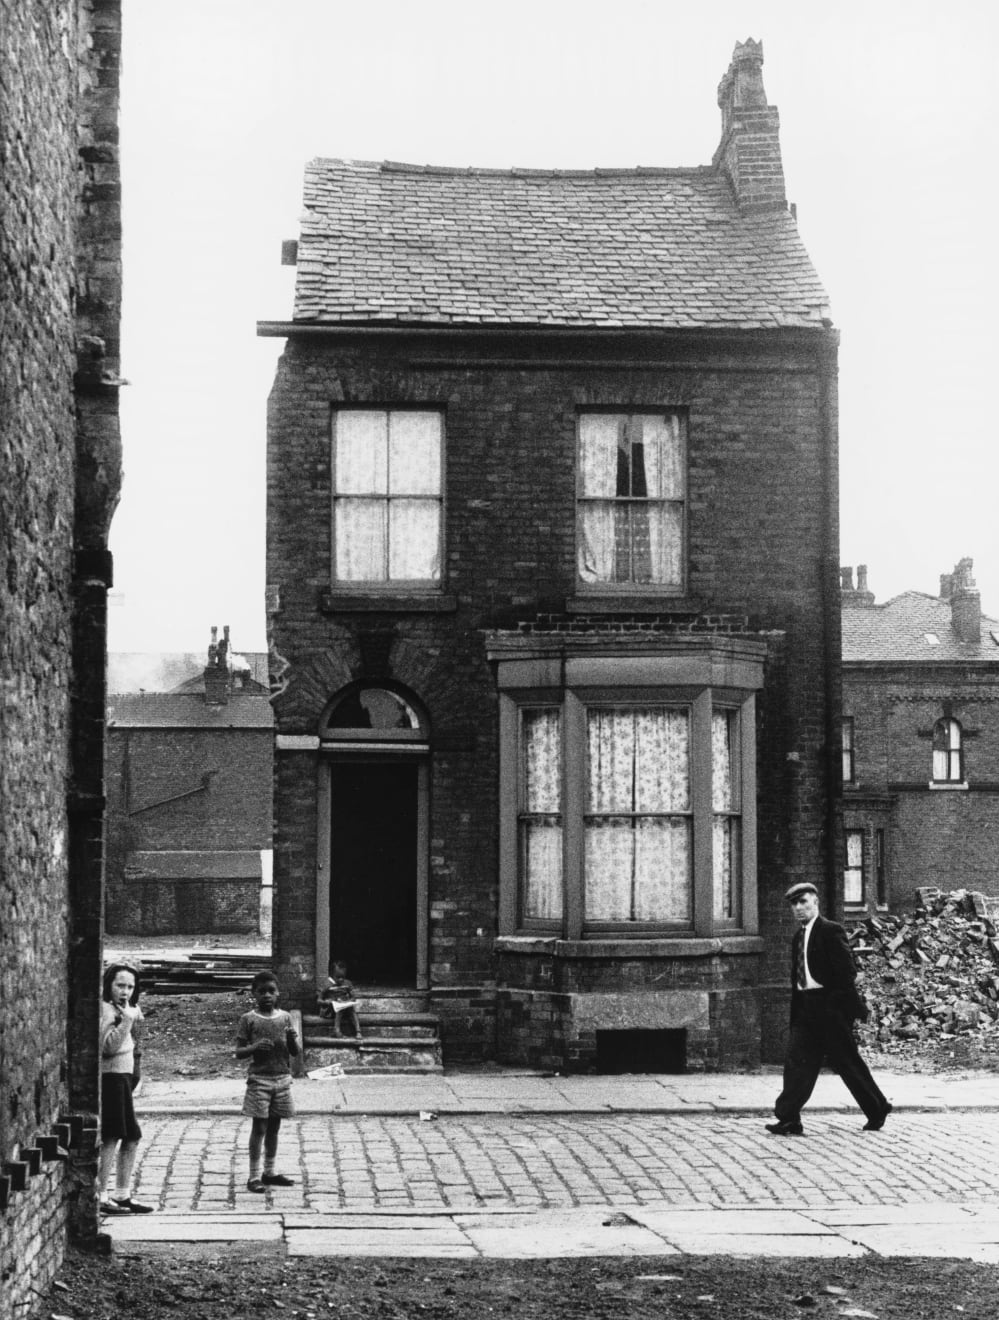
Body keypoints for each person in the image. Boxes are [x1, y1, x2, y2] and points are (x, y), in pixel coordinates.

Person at [768, 881, 892, 1136]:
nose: (799, 908)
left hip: (830, 1010)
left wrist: (833, 1007)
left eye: (803, 902)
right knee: (796, 1063)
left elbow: (847, 974)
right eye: (794, 904)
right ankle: (789, 1118)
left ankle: (877, 1108)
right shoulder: (798, 937)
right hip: (805, 1010)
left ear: (816, 902)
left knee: (846, 1063)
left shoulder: (830, 931)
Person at [236, 970, 300, 1192]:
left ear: (278, 993)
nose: (267, 996)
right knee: (259, 1127)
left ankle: (269, 1171)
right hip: (259, 1080)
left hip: (282, 1079)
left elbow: (294, 1052)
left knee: (274, 1127)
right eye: (261, 991)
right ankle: (254, 1176)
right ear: (254, 994)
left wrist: (292, 1040)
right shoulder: (249, 1019)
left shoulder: (285, 1018)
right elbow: (239, 1052)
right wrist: (254, 1047)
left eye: (271, 991)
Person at [98, 963, 154, 1214]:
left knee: (132, 1136)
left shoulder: (126, 1010)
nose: (125, 991)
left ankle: (122, 1194)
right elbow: (108, 1046)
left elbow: (134, 1042)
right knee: (111, 1135)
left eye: (130, 986)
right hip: (110, 1078)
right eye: (120, 985)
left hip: (123, 1077)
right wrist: (127, 1021)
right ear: (108, 985)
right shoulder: (106, 1010)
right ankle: (100, 1195)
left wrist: (131, 1017)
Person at [318, 960, 362, 1039]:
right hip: (330, 1010)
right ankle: (337, 1031)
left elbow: (354, 997)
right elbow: (319, 1000)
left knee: (351, 1009)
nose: (341, 979)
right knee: (340, 1008)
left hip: (344, 1007)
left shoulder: (347, 983)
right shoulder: (327, 985)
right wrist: (327, 1002)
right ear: (331, 975)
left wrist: (347, 1002)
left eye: (343, 977)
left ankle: (358, 1031)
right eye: (338, 977)